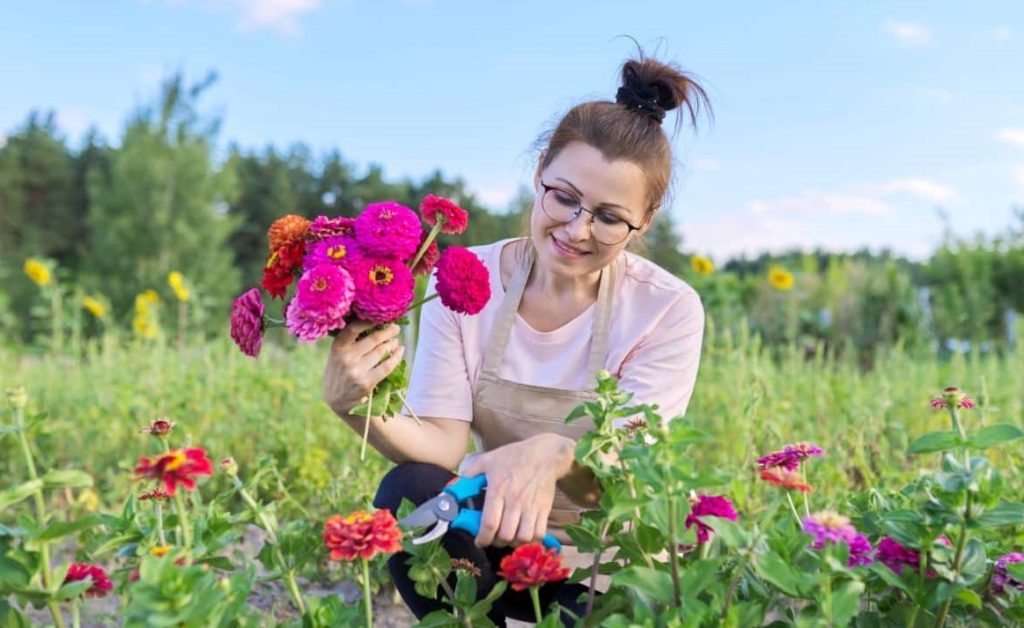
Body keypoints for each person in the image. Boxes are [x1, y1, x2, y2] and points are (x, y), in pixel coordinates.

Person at [322, 52, 709, 625]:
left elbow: (631, 479)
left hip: (605, 555)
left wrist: (553, 454)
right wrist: (353, 404)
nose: (577, 229)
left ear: (643, 222)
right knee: (410, 487)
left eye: (609, 217)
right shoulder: (468, 282)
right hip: (494, 530)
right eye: (565, 198)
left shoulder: (667, 310)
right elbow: (443, 448)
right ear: (538, 175)